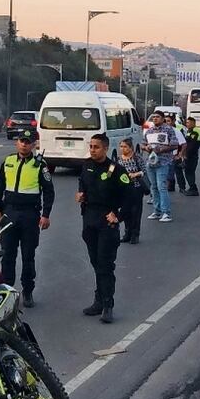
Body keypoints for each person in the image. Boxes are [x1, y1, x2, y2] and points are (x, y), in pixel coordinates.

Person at [0, 129, 54, 308]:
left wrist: (46, 215)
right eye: (21, 141)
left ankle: (27, 291)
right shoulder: (8, 161)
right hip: (9, 212)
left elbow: (49, 192)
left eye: (28, 141)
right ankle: (7, 292)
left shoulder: (40, 165)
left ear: (34, 144)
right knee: (7, 255)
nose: (24, 144)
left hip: (29, 215)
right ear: (16, 142)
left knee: (28, 255)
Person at [76, 133, 132, 323]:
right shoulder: (86, 165)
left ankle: (108, 304)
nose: (92, 150)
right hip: (90, 219)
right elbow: (82, 184)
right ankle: (98, 300)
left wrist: (118, 215)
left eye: (96, 147)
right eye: (91, 146)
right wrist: (81, 195)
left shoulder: (116, 170)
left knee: (105, 264)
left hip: (107, 221)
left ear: (106, 148)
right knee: (95, 262)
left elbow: (130, 197)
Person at [142, 112, 180, 222]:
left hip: (163, 162)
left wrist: (161, 149)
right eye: (153, 117)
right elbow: (142, 144)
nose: (155, 119)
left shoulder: (168, 130)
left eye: (157, 117)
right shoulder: (149, 131)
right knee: (153, 187)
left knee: (161, 187)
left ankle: (166, 212)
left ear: (163, 119)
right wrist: (146, 148)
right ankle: (156, 211)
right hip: (151, 162)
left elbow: (174, 144)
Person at [114, 138, 148, 244]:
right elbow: (111, 171)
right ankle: (127, 233)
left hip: (136, 188)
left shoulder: (136, 157)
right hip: (124, 189)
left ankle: (135, 234)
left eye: (125, 147)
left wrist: (135, 174)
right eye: (121, 147)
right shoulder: (118, 159)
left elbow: (144, 170)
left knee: (136, 212)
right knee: (126, 211)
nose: (123, 149)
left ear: (130, 148)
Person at [179, 117, 200, 196]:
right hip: (190, 155)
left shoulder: (195, 132)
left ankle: (193, 189)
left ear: (193, 123)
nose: (187, 124)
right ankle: (192, 187)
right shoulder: (190, 131)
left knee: (189, 172)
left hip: (192, 156)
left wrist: (186, 155)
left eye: (188, 123)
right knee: (188, 171)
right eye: (186, 122)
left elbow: (192, 146)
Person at [165, 114, 188, 193]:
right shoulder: (161, 131)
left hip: (174, 156)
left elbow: (184, 144)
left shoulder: (176, 131)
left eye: (168, 121)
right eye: (165, 121)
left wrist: (180, 154)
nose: (167, 123)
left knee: (178, 172)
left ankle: (182, 188)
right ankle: (170, 187)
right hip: (164, 157)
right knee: (167, 174)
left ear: (173, 121)